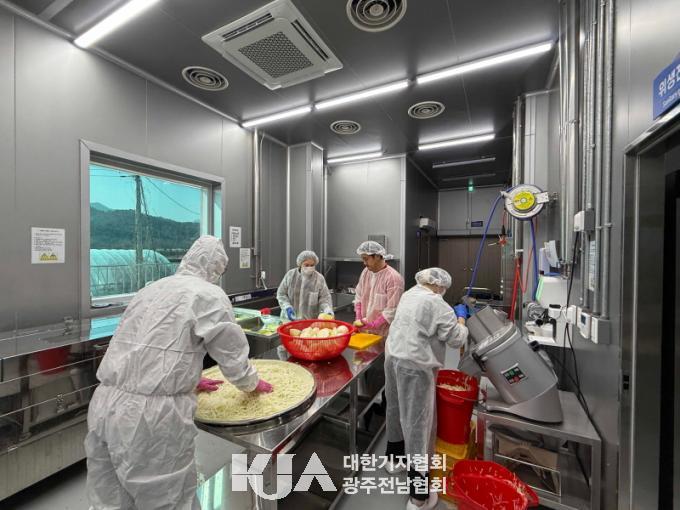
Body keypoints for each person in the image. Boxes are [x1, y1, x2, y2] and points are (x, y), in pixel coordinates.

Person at [85, 236, 273, 510]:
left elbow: (149, 346)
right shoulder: (209, 295)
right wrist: (251, 382)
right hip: (150, 420)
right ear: (216, 268)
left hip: (104, 404)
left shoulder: (151, 289)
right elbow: (231, 354)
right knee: (168, 500)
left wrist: (191, 378)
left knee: (108, 501)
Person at [383, 268, 468, 510]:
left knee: (395, 409)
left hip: (393, 357)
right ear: (440, 286)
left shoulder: (409, 294)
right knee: (418, 426)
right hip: (415, 366)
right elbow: (456, 339)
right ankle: (418, 498)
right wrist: (461, 318)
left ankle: (394, 460)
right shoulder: (438, 304)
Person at [353, 241, 405, 338]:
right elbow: (359, 296)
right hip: (364, 332)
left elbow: (392, 310)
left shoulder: (393, 278)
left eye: (366, 259)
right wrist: (358, 316)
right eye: (363, 259)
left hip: (383, 335)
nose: (364, 263)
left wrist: (374, 324)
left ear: (377, 256)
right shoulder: (366, 272)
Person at [277, 250, 334, 321]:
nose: (309, 267)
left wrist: (327, 310)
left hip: (309, 321)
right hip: (289, 319)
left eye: (312, 265)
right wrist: (287, 307)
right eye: (306, 265)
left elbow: (324, 298)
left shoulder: (319, 278)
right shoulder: (290, 275)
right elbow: (281, 294)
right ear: (300, 264)